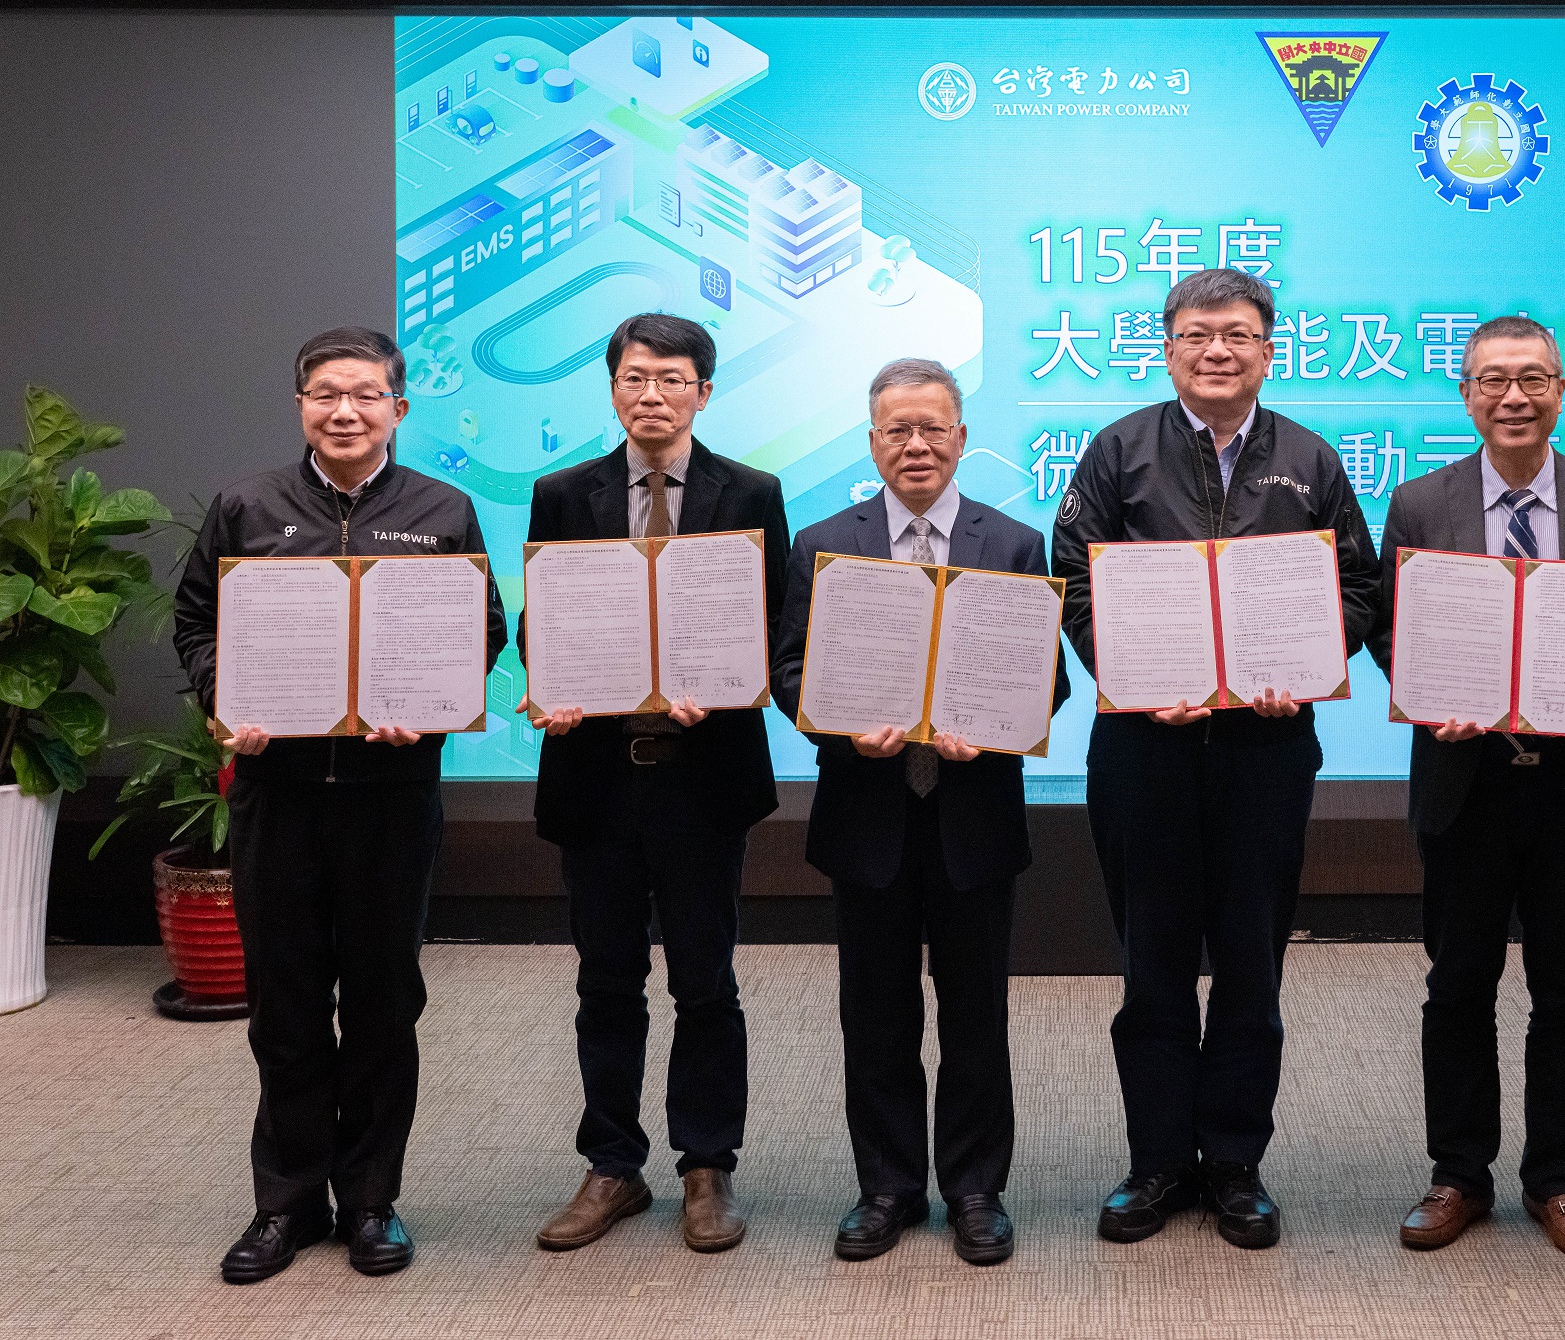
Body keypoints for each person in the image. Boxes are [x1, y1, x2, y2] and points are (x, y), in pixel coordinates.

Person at [1050, 267, 1378, 1250]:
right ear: (1168, 346)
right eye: (1197, 334)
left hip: (1264, 751)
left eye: (1237, 334)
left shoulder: (1310, 459)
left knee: (1249, 962)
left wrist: (1309, 661)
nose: (1217, 351)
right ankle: (1155, 1163)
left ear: (1268, 349)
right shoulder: (1117, 450)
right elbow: (1073, 580)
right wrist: (1139, 671)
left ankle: (1234, 1163)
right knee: (1151, 960)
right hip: (1142, 748)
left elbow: (1355, 587)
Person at [173, 326, 508, 1283]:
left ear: (400, 407)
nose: (345, 410)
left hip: (391, 799)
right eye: (326, 394)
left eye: (365, 394)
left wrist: (432, 706)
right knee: (283, 1004)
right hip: (278, 796)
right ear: (301, 406)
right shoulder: (248, 505)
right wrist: (218, 696)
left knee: (381, 1000)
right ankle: (284, 1203)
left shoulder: (443, 509)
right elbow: (197, 619)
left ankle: (370, 1202)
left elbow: (478, 626)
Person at [1367, 315, 1565, 1264]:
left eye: (1533, 378)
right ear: (1464, 393)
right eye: (1493, 379)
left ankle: (1559, 1180)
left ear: (1561, 389)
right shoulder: (1418, 502)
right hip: (1466, 782)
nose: (1514, 396)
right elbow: (1388, 628)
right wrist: (1426, 692)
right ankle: (1456, 1174)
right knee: (1457, 983)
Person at [772, 358, 1069, 1266]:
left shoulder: (1014, 543)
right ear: (871, 443)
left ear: (961, 440)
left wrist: (994, 725)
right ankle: (887, 1187)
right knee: (876, 1013)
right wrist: (838, 720)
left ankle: (976, 1187)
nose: (915, 445)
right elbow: (788, 669)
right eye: (896, 429)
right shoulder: (822, 540)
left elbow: (1046, 678)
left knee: (976, 1013)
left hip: (974, 817)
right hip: (867, 818)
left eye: (932, 428)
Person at [520, 313, 790, 1256]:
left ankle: (707, 1164)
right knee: (606, 978)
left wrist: (717, 692)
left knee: (706, 979)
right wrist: (549, 685)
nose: (652, 395)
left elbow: (769, 625)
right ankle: (611, 1163)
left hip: (701, 777)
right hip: (596, 776)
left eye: (673, 379)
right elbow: (539, 620)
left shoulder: (752, 491)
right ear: (611, 388)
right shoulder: (563, 492)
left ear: (703, 393)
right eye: (635, 377)